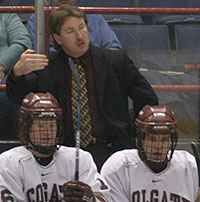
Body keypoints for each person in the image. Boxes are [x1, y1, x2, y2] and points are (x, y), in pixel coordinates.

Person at [6, 4, 158, 170]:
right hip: (64, 153)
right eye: (70, 31)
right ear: (58, 38)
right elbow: (16, 98)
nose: (80, 36)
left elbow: (147, 98)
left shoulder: (115, 61)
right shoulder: (47, 67)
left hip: (112, 150)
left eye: (82, 28)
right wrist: (16, 74)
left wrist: (137, 135)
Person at [0, 92, 111, 202]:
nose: (46, 133)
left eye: (51, 126)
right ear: (26, 128)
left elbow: (105, 199)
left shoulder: (79, 158)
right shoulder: (9, 163)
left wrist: (91, 199)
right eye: (40, 126)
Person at [100, 105, 199, 202]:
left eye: (164, 139)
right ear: (139, 140)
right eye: (152, 139)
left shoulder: (189, 166)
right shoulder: (119, 166)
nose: (158, 146)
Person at [26, 0, 122, 52]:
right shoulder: (38, 18)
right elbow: (36, 53)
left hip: (95, 71)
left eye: (81, 27)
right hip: (57, 72)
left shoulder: (94, 17)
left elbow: (114, 49)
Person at [0, 1, 32, 139]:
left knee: (15, 92)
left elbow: (23, 42)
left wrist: (1, 65)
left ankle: (22, 144)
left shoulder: (6, 16)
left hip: (6, 73)